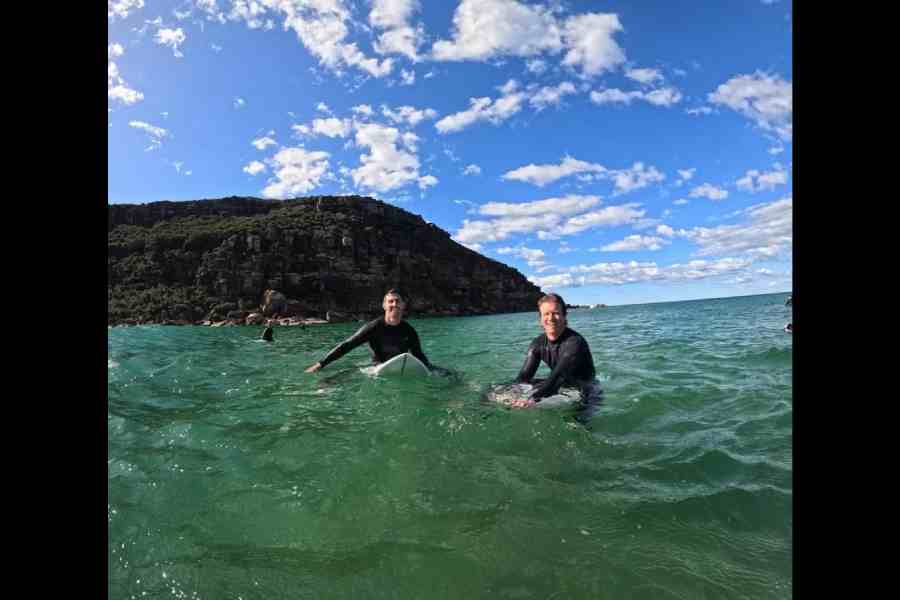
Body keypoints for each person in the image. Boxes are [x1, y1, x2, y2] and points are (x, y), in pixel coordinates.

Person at [509, 293, 602, 411]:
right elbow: (523, 378)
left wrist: (530, 399)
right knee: (496, 389)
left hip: (585, 390)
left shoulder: (575, 343)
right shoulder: (538, 344)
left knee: (575, 422)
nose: (551, 318)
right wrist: (514, 393)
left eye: (556, 313)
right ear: (540, 319)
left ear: (564, 316)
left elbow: (557, 378)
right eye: (546, 314)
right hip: (559, 384)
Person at [305, 289, 436, 373]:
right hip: (376, 367)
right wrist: (321, 364)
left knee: (445, 373)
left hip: (400, 364)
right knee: (343, 376)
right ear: (384, 305)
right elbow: (348, 345)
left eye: (397, 301)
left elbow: (418, 354)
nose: (394, 304)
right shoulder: (373, 327)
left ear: (403, 305)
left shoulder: (409, 331)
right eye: (390, 301)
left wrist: (430, 369)